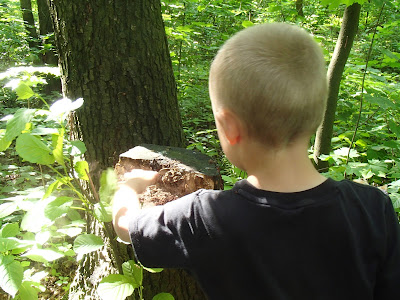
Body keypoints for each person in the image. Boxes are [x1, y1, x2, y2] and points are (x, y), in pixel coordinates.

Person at [112, 23, 400, 299]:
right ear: (317, 114)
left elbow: (125, 227)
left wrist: (130, 186)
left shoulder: (203, 218)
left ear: (230, 127)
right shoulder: (373, 209)